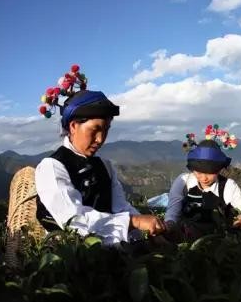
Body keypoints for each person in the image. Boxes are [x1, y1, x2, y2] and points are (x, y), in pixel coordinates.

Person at [35, 88, 166, 247]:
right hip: (67, 254)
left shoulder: (105, 166)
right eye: (95, 130)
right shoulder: (52, 167)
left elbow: (121, 207)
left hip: (111, 250)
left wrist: (150, 230)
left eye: (106, 130)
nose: (100, 139)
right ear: (73, 126)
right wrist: (134, 222)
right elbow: (74, 220)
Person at [165, 138, 241, 240]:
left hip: (219, 238)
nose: (204, 178)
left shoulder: (228, 186)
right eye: (199, 172)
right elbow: (173, 211)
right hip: (185, 236)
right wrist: (169, 225)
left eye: (210, 173)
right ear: (192, 169)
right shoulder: (184, 182)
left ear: (218, 170)